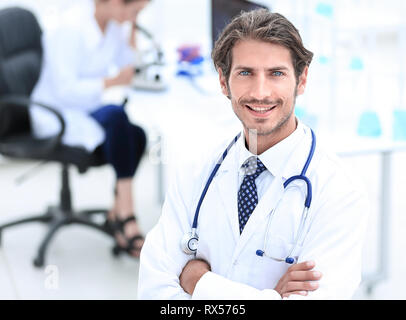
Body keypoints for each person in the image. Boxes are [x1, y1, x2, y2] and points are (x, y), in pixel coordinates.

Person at [137, 9, 370, 299]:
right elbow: (153, 290)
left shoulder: (340, 191)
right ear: (223, 81)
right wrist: (271, 296)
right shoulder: (195, 171)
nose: (260, 92)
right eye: (245, 73)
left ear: (302, 79)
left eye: (276, 74)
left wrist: (198, 282)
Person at [30, 0, 151, 257]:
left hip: (84, 106)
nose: (137, 16)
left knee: (138, 136)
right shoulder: (71, 28)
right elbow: (65, 90)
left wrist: (132, 27)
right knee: (119, 119)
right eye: (136, 10)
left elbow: (126, 63)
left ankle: (117, 210)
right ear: (117, 3)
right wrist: (113, 81)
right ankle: (126, 215)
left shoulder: (113, 25)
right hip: (55, 112)